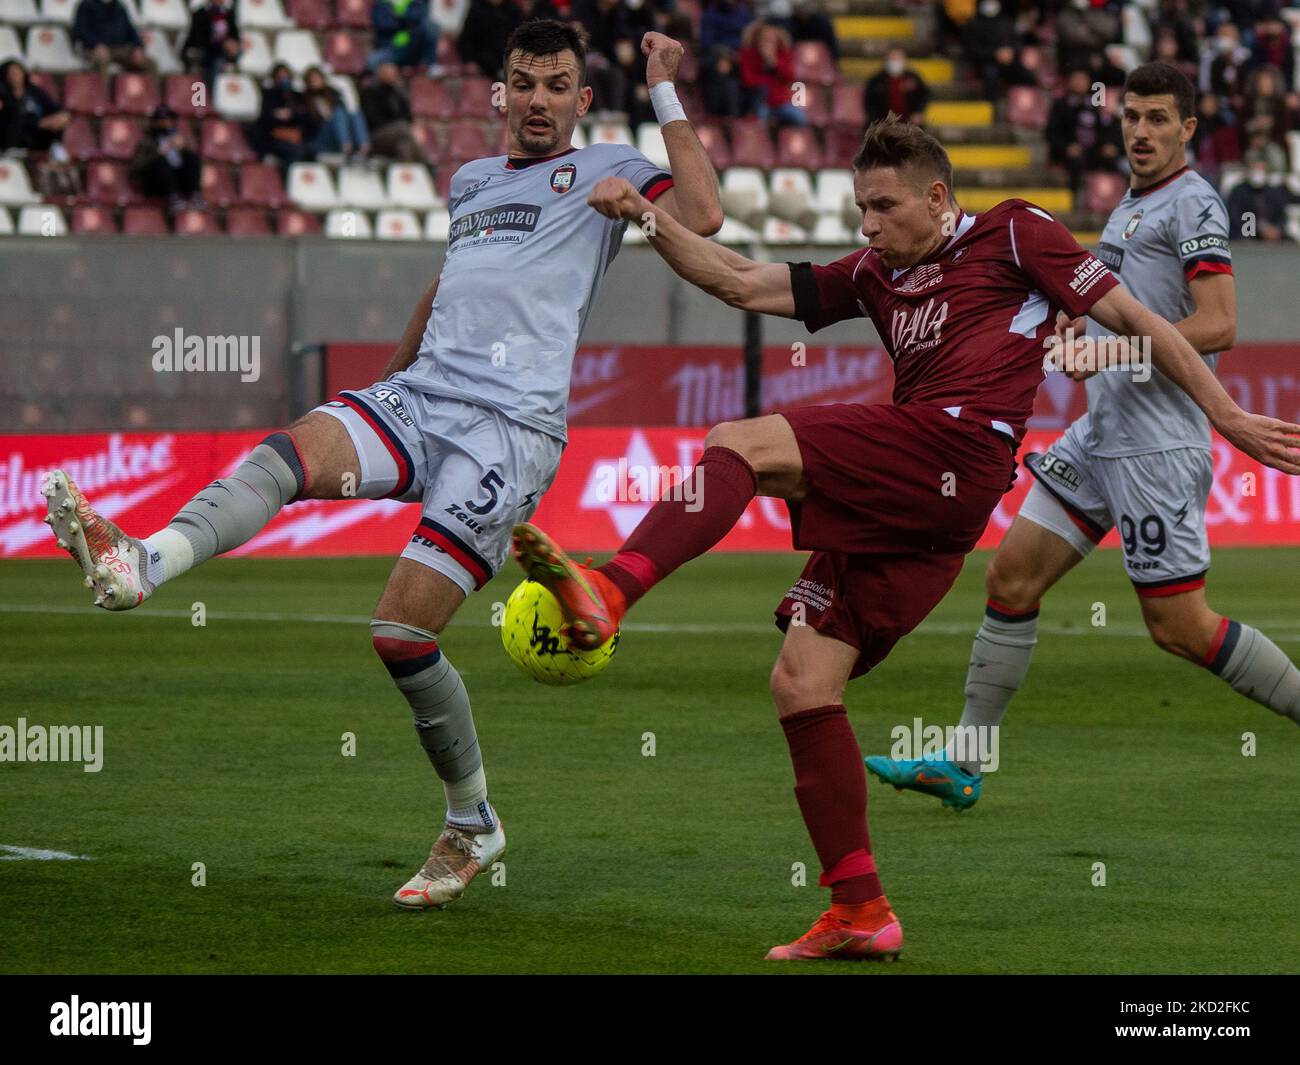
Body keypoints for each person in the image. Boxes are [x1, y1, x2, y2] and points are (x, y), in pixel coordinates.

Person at [508, 115, 1300, 960]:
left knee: (739, 443)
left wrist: (1228, 416)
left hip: (956, 446)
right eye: (859, 207)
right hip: (919, 507)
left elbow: (1139, 316)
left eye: (883, 207)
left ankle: (613, 587)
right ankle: (860, 909)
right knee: (803, 680)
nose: (867, 225)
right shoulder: (874, 271)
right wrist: (646, 217)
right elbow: (740, 281)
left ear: (936, 196)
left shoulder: (1018, 231)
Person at [43, 21, 721, 913]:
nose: (540, 101)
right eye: (524, 83)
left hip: (509, 431)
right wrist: (390, 379)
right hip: (423, 396)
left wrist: (665, 88)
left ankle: (472, 819)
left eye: (559, 85)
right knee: (291, 452)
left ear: (583, 99)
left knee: (401, 634)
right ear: (499, 93)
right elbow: (452, 280)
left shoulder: (611, 166)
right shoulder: (471, 183)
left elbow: (706, 214)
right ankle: (142, 561)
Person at [867, 62, 1300, 812]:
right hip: (1102, 433)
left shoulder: (1193, 204)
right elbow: (1108, 295)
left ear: (1188, 129)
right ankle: (965, 759)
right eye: (1132, 116)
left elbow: (1220, 323)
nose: (1140, 131)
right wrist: (1074, 318)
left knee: (1179, 627)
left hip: (1156, 443)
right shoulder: (1131, 206)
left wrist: (1114, 349)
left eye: (1159, 118)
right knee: (1010, 580)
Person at [129, 103, 202, 210]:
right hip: (155, 184)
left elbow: (190, 164)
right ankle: (174, 199)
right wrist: (157, 154)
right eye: (161, 119)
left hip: (177, 181)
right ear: (154, 122)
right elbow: (135, 167)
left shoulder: (179, 138)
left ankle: (195, 196)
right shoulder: (146, 142)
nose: (166, 123)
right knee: (160, 161)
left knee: (192, 157)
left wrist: (184, 148)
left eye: (169, 119)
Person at [739, 21, 805, 126]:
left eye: (771, 40)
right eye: (764, 40)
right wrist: (765, 70)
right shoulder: (748, 55)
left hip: (781, 102)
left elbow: (790, 77)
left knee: (800, 119)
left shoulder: (784, 54)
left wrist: (773, 63)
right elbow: (748, 80)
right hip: (760, 102)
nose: (767, 44)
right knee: (759, 123)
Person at [0, 59, 71, 155]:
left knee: (58, 119)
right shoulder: (3, 94)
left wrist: (62, 116)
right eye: (11, 73)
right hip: (14, 138)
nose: (16, 76)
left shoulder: (34, 91)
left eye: (18, 71)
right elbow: (9, 119)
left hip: (40, 135)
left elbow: (52, 107)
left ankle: (56, 148)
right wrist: (38, 123)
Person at [72, 0, 155, 74]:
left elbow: (130, 30)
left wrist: (138, 47)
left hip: (119, 49)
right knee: (102, 60)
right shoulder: (86, 5)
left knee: (149, 64)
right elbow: (81, 30)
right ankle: (101, 90)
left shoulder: (119, 7)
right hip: (93, 49)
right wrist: (95, 44)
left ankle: (145, 91)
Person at [254, 63, 313, 169]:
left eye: (285, 76)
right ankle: (286, 178)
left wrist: (290, 114)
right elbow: (266, 117)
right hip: (274, 137)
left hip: (296, 136)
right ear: (274, 78)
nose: (283, 79)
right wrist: (278, 115)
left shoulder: (297, 96)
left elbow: (305, 117)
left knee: (310, 150)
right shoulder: (268, 94)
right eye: (280, 77)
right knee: (296, 151)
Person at [360, 61, 420, 162]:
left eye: (394, 73)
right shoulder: (370, 92)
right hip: (377, 135)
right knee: (403, 128)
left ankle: (409, 172)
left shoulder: (398, 94)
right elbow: (372, 119)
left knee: (404, 146)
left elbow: (408, 117)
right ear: (380, 74)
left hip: (399, 135)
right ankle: (427, 164)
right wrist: (394, 126)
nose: (393, 75)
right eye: (389, 73)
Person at [304, 66, 369, 161]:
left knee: (355, 113)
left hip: (339, 132)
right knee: (338, 113)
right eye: (312, 79)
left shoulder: (333, 94)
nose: (315, 81)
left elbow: (345, 114)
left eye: (317, 78)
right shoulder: (304, 98)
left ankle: (364, 148)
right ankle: (346, 148)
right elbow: (309, 125)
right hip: (321, 136)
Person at [181, 0, 242, 92]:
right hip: (204, 52)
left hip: (222, 53)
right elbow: (199, 39)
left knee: (225, 59)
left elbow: (235, 36)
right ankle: (210, 97)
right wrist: (222, 43)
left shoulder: (229, 14)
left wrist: (233, 45)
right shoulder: (200, 14)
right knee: (215, 64)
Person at [457, 0, 524, 80]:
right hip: (481, 64)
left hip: (507, 63)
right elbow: (466, 39)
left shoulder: (514, 11)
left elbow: (521, 40)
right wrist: (469, 61)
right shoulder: (477, 9)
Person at [864, 45, 929, 126]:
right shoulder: (876, 81)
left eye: (898, 58)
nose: (895, 61)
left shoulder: (913, 78)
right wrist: (878, 122)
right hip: (883, 127)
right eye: (892, 58)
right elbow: (869, 104)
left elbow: (924, 95)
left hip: (910, 126)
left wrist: (919, 112)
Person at [367, 0, 438, 72]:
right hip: (390, 49)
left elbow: (419, 18)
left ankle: (430, 64)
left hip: (412, 48)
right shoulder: (381, 3)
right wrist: (405, 22)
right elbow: (382, 24)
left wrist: (398, 20)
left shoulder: (415, 2)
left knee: (431, 26)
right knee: (372, 61)